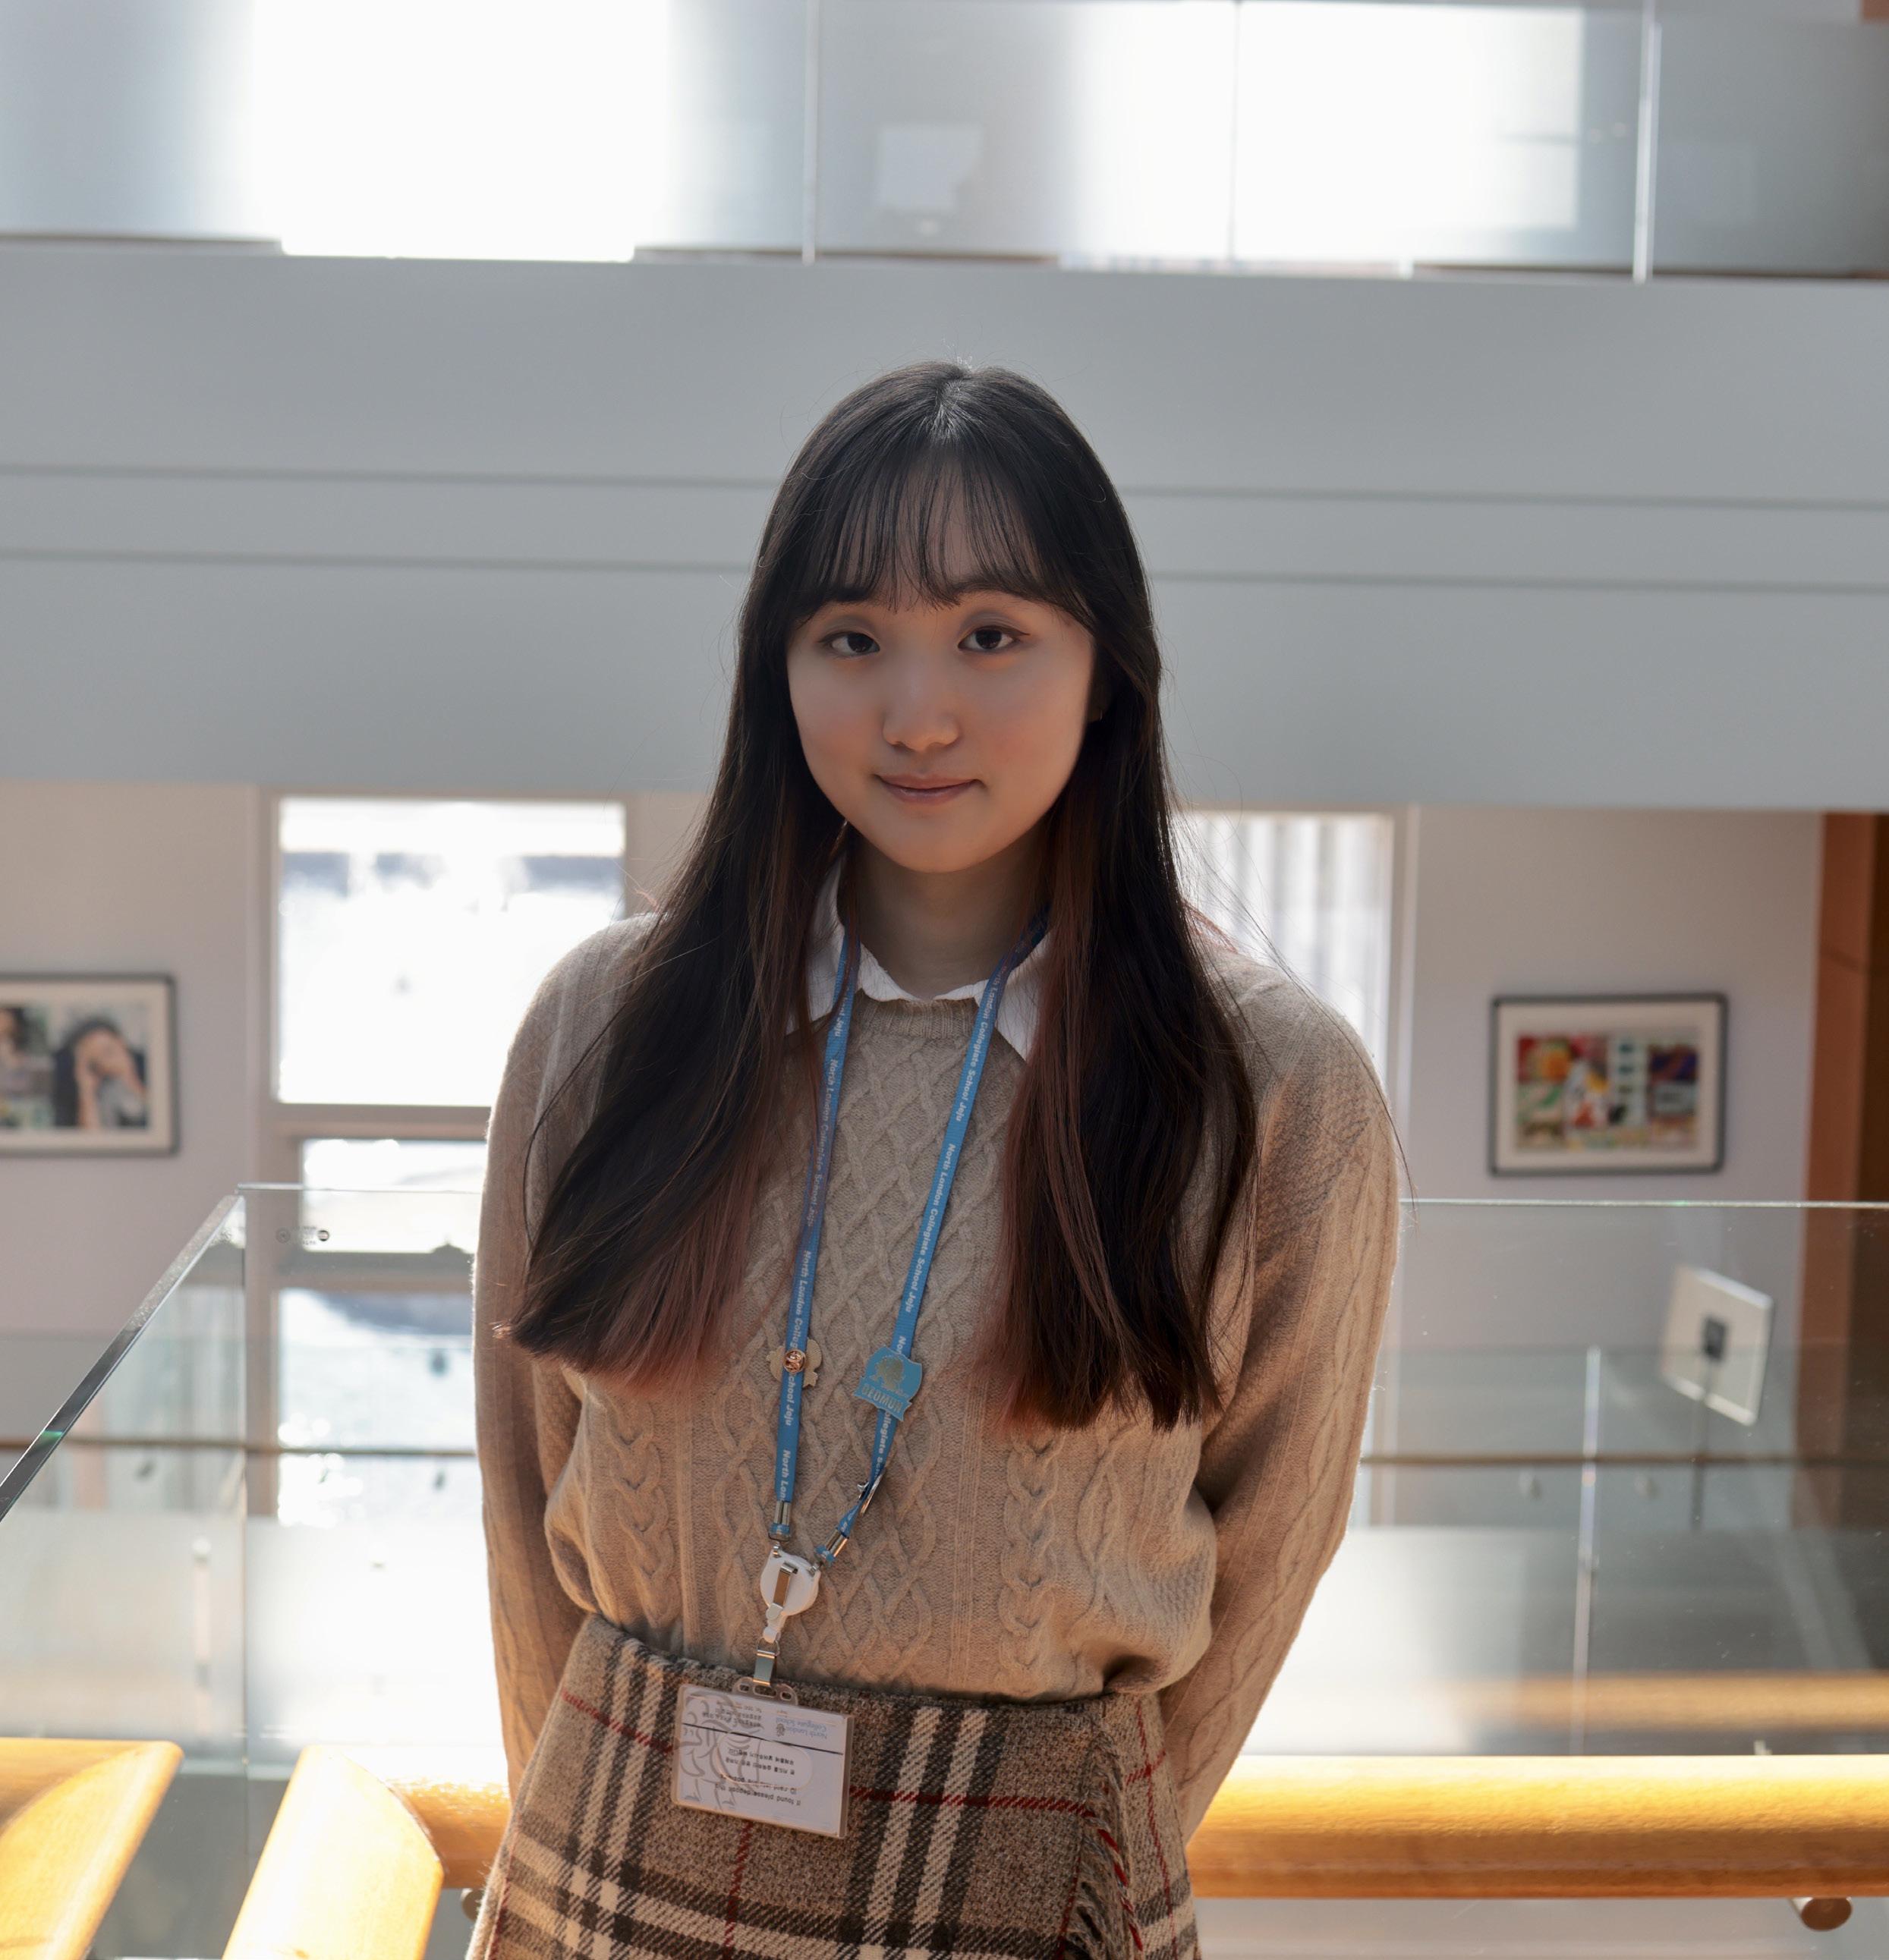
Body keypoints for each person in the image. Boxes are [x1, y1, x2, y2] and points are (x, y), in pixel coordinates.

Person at [468, 360, 1406, 1958]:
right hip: (616, 1850)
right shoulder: (606, 1025)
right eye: (851, 638)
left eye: (990, 633)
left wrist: (1077, 1849)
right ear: (777, 669)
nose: (916, 714)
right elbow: (519, 1488)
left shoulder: (1270, 1088)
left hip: (1033, 1885)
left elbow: (1274, 1541)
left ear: (1106, 667)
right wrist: (577, 1803)